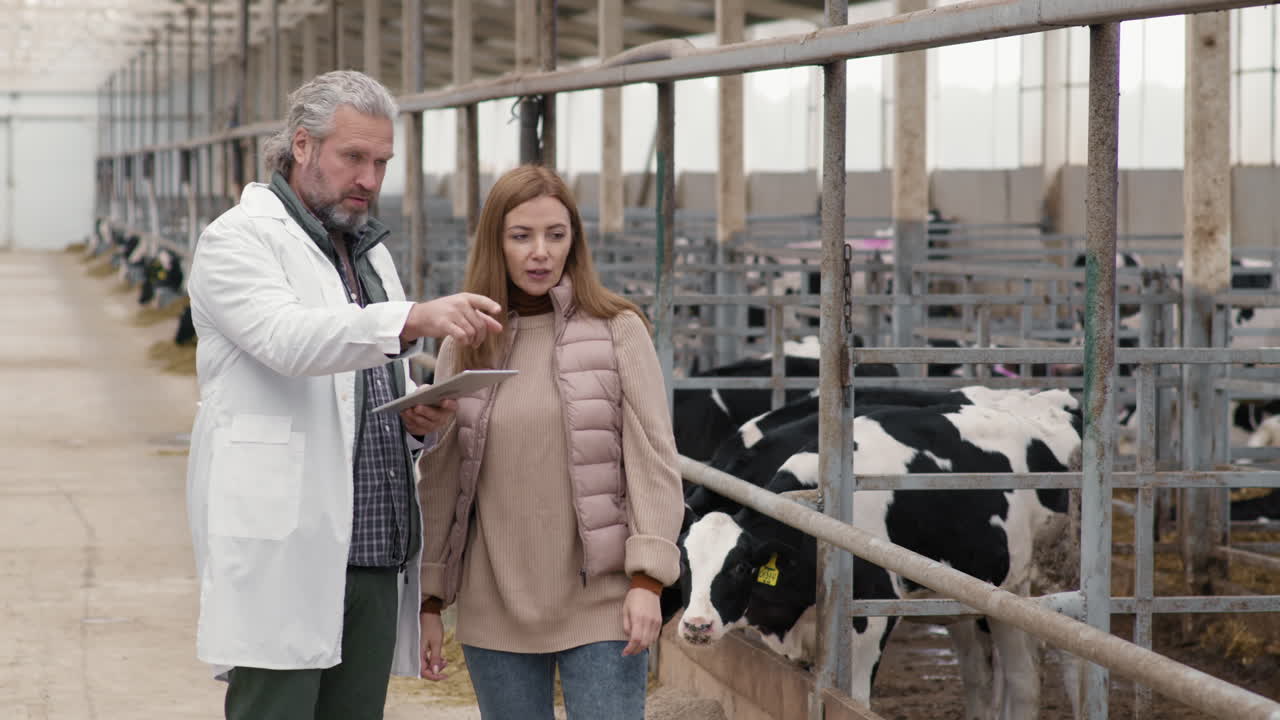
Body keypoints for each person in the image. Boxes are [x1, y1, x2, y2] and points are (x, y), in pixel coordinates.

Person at [184, 70, 503, 720]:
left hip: (374, 546)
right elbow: (288, 340)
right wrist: (413, 318)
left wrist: (417, 414)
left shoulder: (366, 253)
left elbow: (362, 376)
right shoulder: (237, 241)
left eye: (381, 161)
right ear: (302, 145)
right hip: (289, 541)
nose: (369, 178)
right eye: (353, 157)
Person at [416, 164, 684, 719]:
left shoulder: (619, 329)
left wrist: (649, 581)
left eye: (555, 235)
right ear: (497, 242)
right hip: (496, 609)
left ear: (573, 241)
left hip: (603, 603)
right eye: (521, 236)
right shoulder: (464, 344)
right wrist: (429, 599)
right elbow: (441, 476)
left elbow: (653, 460)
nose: (540, 252)